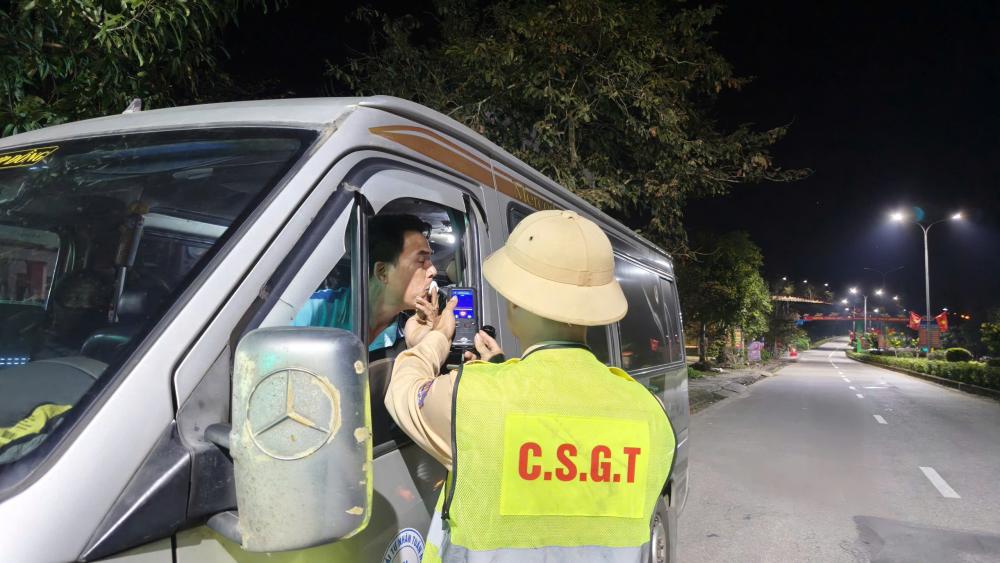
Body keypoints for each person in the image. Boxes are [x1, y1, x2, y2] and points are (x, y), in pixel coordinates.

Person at [385, 209, 676, 562]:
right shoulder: (651, 413)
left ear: (515, 302)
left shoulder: (473, 399)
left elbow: (403, 390)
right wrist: (496, 367)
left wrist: (431, 339)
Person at [292, 214, 440, 351]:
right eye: (422, 260)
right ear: (382, 272)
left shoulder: (410, 333)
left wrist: (422, 348)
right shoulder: (313, 312)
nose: (433, 271)